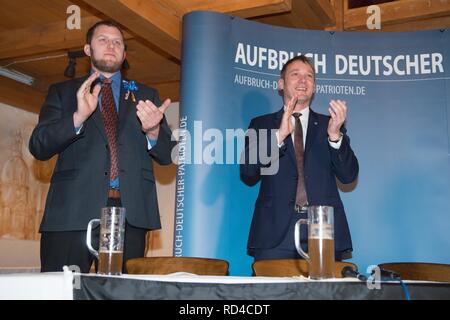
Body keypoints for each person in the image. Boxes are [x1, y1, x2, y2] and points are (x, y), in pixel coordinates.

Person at [29, 20, 176, 273]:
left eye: (117, 42)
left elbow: (168, 155)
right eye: (103, 40)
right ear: (87, 50)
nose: (111, 45)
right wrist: (77, 118)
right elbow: (39, 146)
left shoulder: (146, 95)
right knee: (64, 291)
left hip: (130, 216)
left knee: (123, 293)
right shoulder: (63, 93)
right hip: (71, 213)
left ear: (124, 54)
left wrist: (152, 131)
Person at [240, 55, 359, 261]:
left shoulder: (329, 125)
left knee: (324, 293)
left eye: (309, 76)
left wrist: (334, 137)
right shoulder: (261, 124)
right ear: (281, 84)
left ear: (314, 87)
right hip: (274, 232)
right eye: (295, 75)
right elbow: (248, 172)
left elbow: (348, 176)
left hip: (323, 229)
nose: (303, 81)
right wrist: (279, 136)